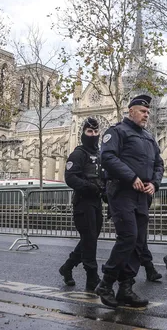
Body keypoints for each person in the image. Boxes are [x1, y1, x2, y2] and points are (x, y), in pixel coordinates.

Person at [94, 94, 164, 308]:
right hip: (122, 192)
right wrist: (131, 177)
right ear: (131, 110)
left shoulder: (149, 138)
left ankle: (126, 287)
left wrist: (155, 183)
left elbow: (159, 164)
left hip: (142, 195)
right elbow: (107, 157)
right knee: (128, 236)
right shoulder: (117, 132)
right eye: (143, 111)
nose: (146, 115)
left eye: (148, 112)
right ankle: (106, 283)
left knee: (138, 242)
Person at [58, 117, 104, 292]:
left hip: (96, 202)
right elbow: (70, 177)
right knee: (90, 240)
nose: (93, 135)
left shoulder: (99, 154)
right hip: (83, 203)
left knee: (88, 239)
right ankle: (92, 277)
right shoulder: (78, 154)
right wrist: (88, 186)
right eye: (89, 132)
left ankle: (67, 267)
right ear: (83, 133)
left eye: (95, 132)